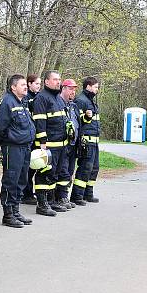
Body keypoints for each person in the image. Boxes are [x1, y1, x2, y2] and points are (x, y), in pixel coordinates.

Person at [0, 74, 35, 228]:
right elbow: (0, 128)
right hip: (13, 147)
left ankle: (16, 211)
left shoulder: (22, 102)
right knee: (11, 180)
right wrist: (6, 142)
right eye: (22, 84)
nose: (26, 87)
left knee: (21, 180)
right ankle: (8, 214)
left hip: (25, 147)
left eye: (26, 84)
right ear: (13, 87)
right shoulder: (7, 102)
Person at [32, 70, 70, 215]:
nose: (58, 82)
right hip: (48, 145)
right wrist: (42, 141)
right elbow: (40, 122)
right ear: (46, 82)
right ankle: (42, 205)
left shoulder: (59, 99)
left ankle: (51, 201)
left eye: (59, 79)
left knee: (55, 174)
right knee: (44, 174)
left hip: (61, 145)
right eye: (54, 79)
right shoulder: (41, 98)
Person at [71, 77, 101, 206]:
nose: (97, 90)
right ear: (88, 86)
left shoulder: (91, 101)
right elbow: (77, 121)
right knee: (85, 168)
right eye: (95, 87)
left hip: (94, 142)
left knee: (94, 168)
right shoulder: (81, 101)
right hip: (86, 141)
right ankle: (77, 196)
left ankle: (88, 194)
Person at [21, 73, 42, 205]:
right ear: (29, 84)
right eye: (36, 84)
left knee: (35, 166)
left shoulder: (38, 97)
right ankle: (26, 193)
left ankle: (29, 191)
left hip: (36, 136)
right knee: (28, 167)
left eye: (40, 84)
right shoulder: (26, 98)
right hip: (29, 137)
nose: (38, 86)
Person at [60, 79, 80, 209]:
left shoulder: (73, 106)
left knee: (70, 170)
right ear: (64, 88)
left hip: (73, 144)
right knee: (63, 171)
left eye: (74, 89)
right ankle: (60, 197)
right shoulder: (59, 104)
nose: (73, 92)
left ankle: (65, 195)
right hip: (63, 145)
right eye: (71, 89)